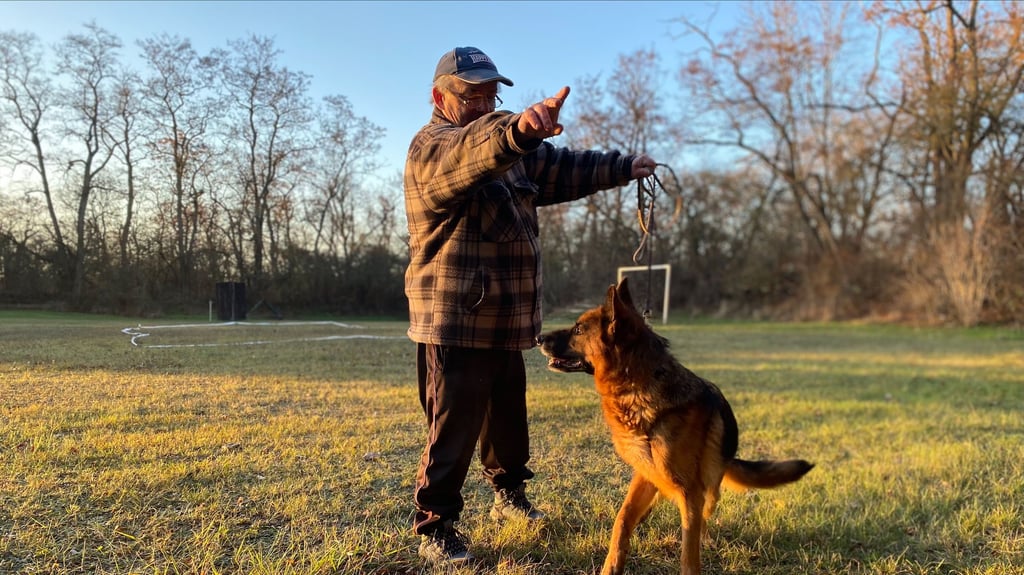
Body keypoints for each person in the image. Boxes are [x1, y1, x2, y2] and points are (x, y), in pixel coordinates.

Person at [404, 46, 657, 565]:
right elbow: (474, 151)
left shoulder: (513, 153)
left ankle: (510, 496)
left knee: (508, 424)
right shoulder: (432, 149)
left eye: (490, 94)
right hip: (455, 321)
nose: (482, 103)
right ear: (439, 96)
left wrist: (623, 167)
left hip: (506, 320)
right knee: (453, 427)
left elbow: (562, 168)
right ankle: (435, 526)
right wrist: (517, 129)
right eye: (470, 94)